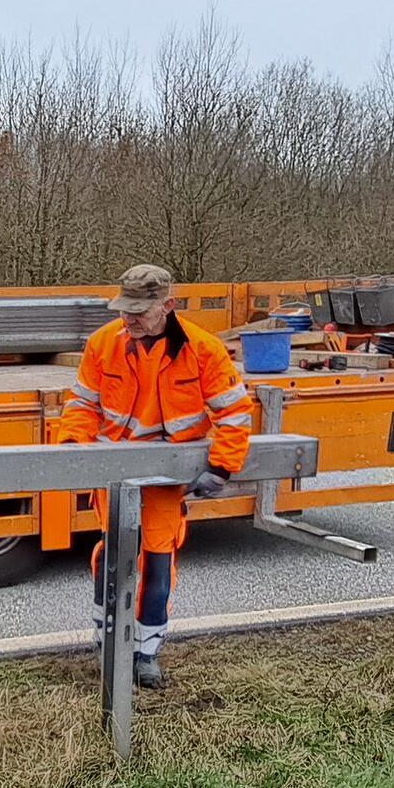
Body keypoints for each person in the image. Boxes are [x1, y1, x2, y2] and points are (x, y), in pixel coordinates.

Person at [62, 264, 253, 688]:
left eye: (139, 311)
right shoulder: (104, 344)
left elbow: (235, 412)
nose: (129, 319)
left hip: (167, 478)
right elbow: (82, 404)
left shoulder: (202, 350)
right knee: (113, 557)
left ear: (167, 306)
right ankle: (108, 641)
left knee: (158, 562)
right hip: (114, 471)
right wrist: (74, 451)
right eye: (124, 310)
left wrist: (221, 466)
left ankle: (147, 651)